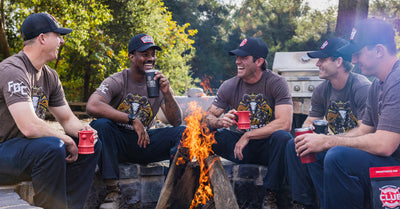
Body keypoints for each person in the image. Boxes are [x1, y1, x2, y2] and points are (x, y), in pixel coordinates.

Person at [295, 18, 400, 209]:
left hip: (394, 165)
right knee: (316, 151)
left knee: (338, 156)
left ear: (379, 51)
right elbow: (364, 130)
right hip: (390, 160)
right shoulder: (378, 84)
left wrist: (329, 141)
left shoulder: (397, 80)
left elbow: (385, 145)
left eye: (358, 54)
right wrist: (322, 142)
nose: (354, 60)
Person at [0, 13, 101, 209]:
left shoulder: (50, 76)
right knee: (52, 147)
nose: (62, 41)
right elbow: (29, 126)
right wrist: (65, 139)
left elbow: (67, 119)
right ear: (42, 38)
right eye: (58, 35)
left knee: (91, 145)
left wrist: (83, 132)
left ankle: (70, 205)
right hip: (4, 151)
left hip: (27, 152)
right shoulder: (13, 70)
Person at [86, 33, 185, 208]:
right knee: (100, 125)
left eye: (153, 54)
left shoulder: (156, 82)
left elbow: (176, 121)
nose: (151, 59)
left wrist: (167, 93)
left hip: (143, 142)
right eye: (145, 54)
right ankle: (112, 192)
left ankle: (172, 193)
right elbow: (92, 105)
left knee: (183, 132)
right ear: (132, 57)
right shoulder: (118, 79)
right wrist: (132, 119)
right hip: (116, 143)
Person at [204, 37, 293, 209]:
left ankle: (271, 195)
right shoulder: (229, 85)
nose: (238, 61)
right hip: (239, 147)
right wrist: (220, 121)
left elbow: (285, 123)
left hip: (267, 147)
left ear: (259, 61)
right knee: (206, 136)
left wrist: (249, 134)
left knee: (283, 137)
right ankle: (207, 193)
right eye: (237, 57)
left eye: (244, 58)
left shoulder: (276, 83)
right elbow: (206, 117)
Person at [285, 37, 371, 209]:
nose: (317, 64)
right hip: (332, 143)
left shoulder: (361, 86)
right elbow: (310, 121)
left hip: (357, 147)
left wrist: (328, 141)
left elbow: (365, 131)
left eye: (323, 59)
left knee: (325, 154)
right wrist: (306, 134)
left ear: (339, 61)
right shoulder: (322, 89)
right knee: (293, 144)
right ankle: (304, 203)